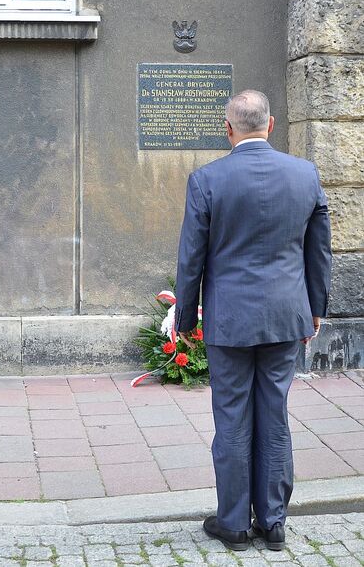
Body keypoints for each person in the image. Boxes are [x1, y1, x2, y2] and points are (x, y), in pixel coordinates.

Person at [174, 90, 332, 551]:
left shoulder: (207, 179)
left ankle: (234, 525)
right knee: (274, 414)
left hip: (230, 320)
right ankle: (274, 521)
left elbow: (191, 257)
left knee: (232, 418)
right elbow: (318, 249)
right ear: (271, 124)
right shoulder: (305, 174)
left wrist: (185, 317)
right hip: (285, 315)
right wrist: (316, 307)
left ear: (228, 129)